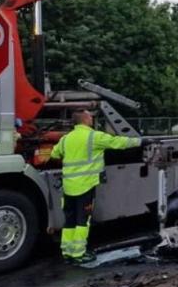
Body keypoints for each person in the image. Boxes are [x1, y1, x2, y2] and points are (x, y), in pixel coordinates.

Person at [50, 110, 155, 264]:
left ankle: (67, 252)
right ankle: (79, 254)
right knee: (82, 221)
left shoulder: (66, 138)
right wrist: (141, 141)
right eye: (89, 115)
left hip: (68, 187)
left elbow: (54, 154)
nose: (92, 117)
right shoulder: (94, 137)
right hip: (85, 186)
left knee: (70, 221)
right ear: (85, 119)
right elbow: (119, 143)